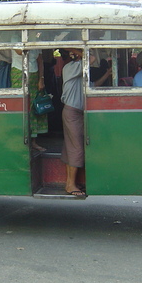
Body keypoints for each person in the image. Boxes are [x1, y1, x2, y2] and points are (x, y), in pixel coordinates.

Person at [60, 48, 86, 197]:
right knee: (76, 148)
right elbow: (92, 59)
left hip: (74, 112)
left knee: (72, 147)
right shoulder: (70, 68)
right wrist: (76, 49)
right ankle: (70, 184)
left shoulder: (76, 69)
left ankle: (71, 182)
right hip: (72, 112)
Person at [12, 49, 47, 152]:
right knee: (20, 105)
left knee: (33, 106)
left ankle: (33, 141)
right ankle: (20, 139)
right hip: (19, 72)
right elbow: (19, 51)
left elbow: (40, 61)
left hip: (34, 74)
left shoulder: (36, 40)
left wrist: (41, 78)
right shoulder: (15, 37)